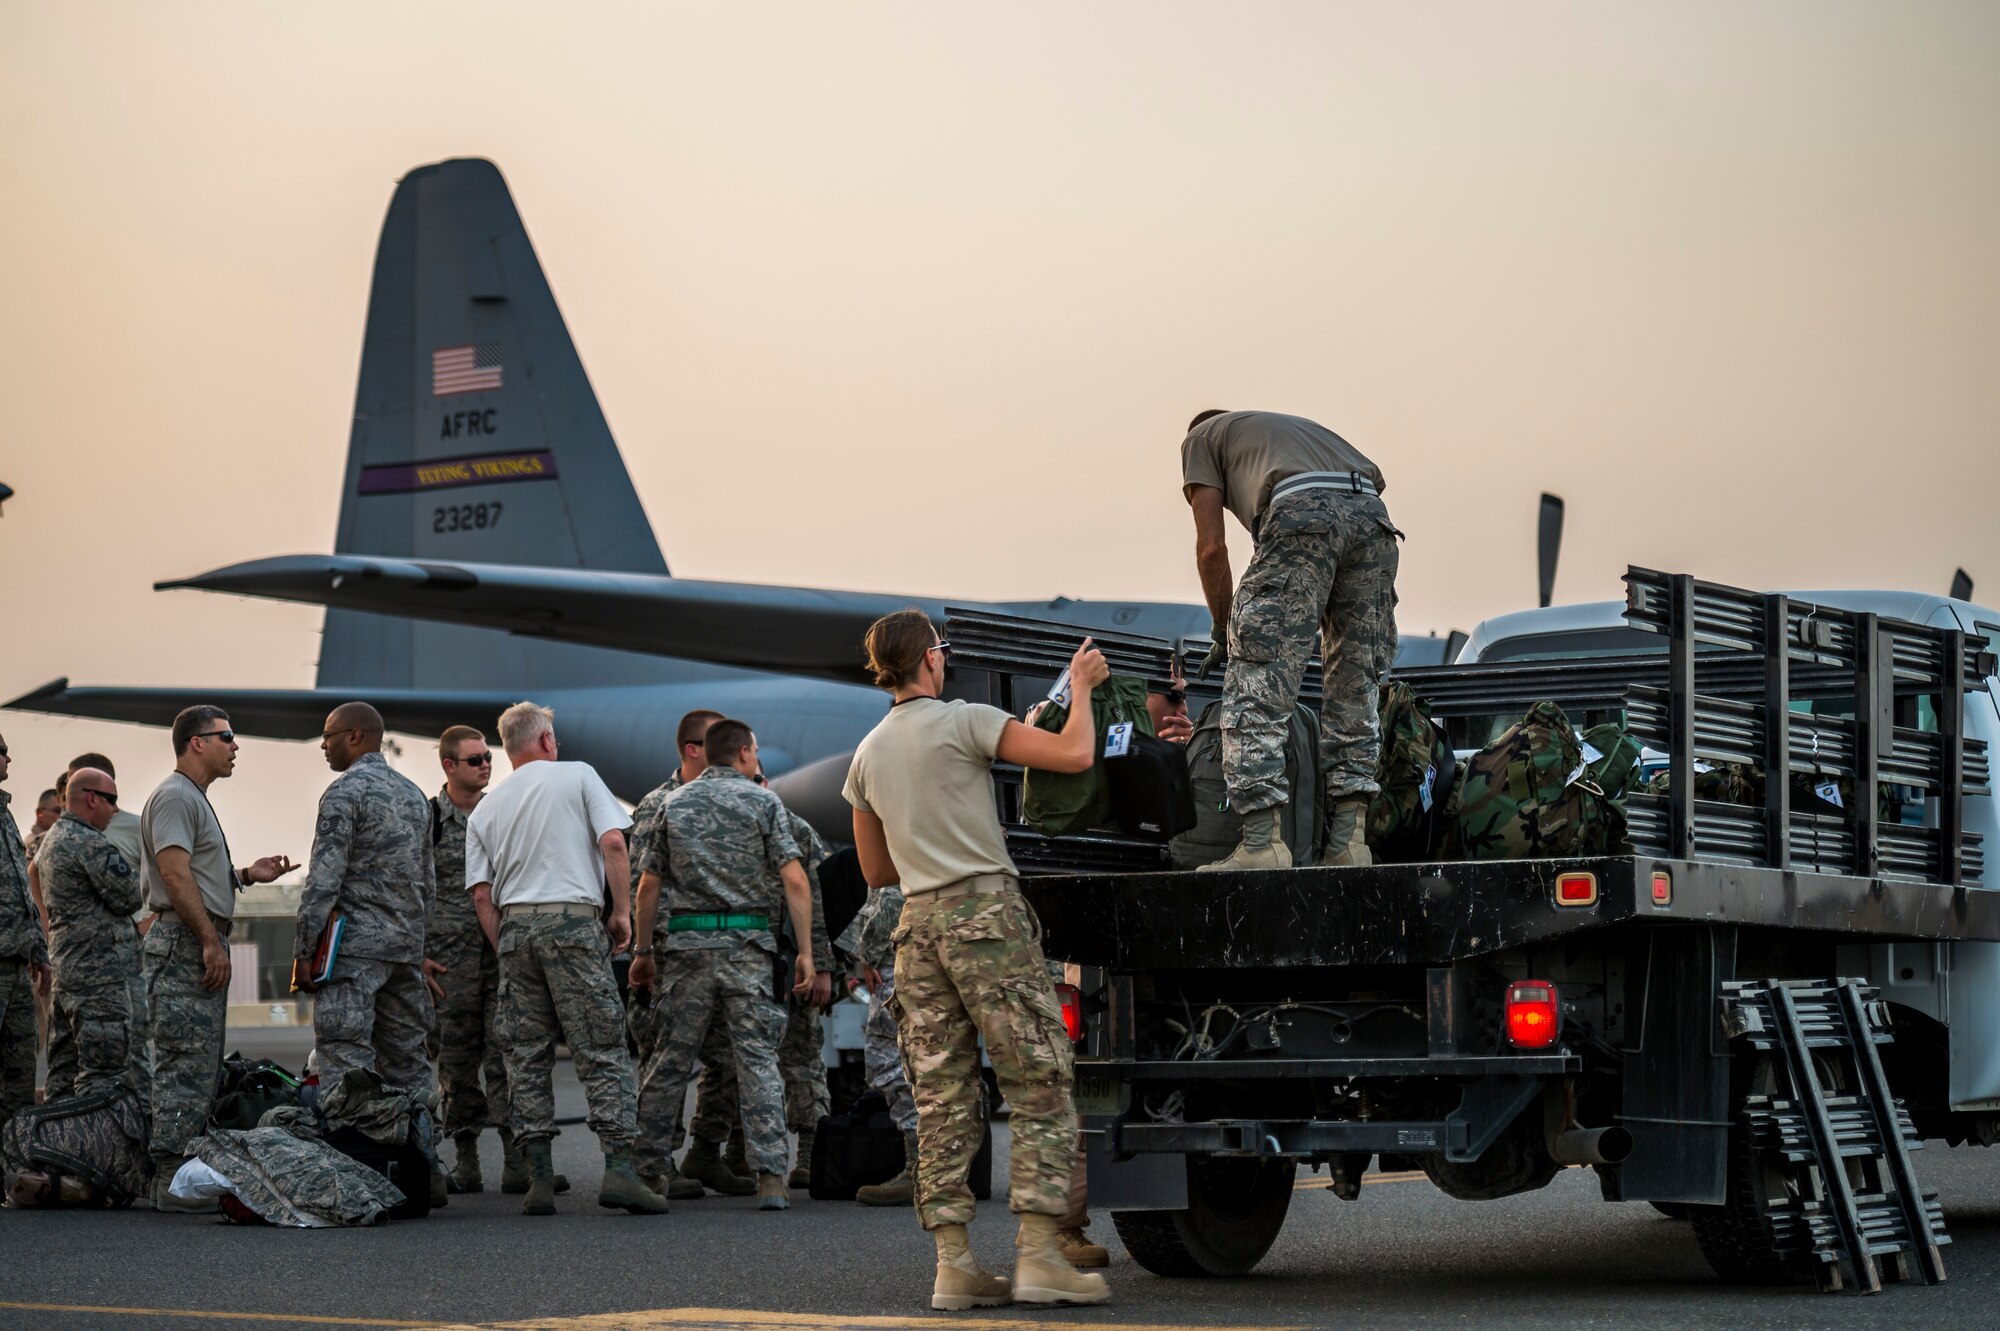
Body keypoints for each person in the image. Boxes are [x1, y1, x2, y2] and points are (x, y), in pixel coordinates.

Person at [844, 610, 1112, 1309]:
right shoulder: (964, 720)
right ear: (930, 660)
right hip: (985, 917)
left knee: (941, 1098)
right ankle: (1039, 1254)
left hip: (918, 927)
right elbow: (1074, 754)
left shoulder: (867, 753)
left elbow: (875, 870)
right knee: (1040, 1081)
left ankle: (955, 1265)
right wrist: (1080, 688)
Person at [466, 701, 666, 1216]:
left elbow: (482, 896)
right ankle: (619, 1171)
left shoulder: (485, 808)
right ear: (547, 741)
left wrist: (508, 946)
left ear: (507, 749)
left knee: (525, 1054)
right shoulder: (578, 775)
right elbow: (614, 844)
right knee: (600, 1046)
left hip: (514, 929)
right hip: (573, 921)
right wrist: (621, 913)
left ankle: (536, 1178)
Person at [1181, 408, 1400, 871]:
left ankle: (1262, 846)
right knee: (1355, 684)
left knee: (1258, 681)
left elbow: (1211, 549)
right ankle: (1348, 844)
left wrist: (1224, 629)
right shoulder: (1280, 434)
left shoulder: (1201, 436)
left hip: (1304, 513)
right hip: (1374, 519)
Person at [629, 720, 816, 1211]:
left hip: (687, 949)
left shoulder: (674, 803)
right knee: (756, 1061)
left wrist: (644, 953)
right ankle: (772, 1178)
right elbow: (795, 881)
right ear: (744, 753)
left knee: (669, 1061)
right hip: (748, 949)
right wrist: (805, 953)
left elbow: (648, 887)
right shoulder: (764, 803)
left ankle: (650, 1175)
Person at [139, 706, 295, 1211]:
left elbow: (199, 875)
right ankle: (168, 1179)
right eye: (226, 736)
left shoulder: (192, 799)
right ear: (196, 742)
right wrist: (209, 940)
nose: (234, 746)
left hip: (194, 939)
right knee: (183, 1064)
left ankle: (180, 1174)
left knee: (201, 1063)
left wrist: (247, 874)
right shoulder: (176, 796)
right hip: (185, 942)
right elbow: (174, 875)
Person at [292, 702, 443, 1202]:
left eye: (329, 735)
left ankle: (350, 1172)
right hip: (403, 951)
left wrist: (303, 950)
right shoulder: (416, 796)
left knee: (345, 1059)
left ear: (355, 737)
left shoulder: (344, 793)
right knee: (408, 1064)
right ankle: (425, 1168)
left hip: (352, 952)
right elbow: (429, 883)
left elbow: (323, 881)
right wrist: (417, 949)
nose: (323, 744)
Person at [676, 768, 836, 1191]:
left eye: (761, 778)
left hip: (788, 962)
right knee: (728, 1060)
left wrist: (819, 963)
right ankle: (719, 1149)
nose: (756, 784)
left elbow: (818, 895)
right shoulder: (723, 823)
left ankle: (810, 1154)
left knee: (801, 1059)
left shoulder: (794, 829)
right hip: (742, 959)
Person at [428, 724, 550, 1197]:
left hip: (502, 958)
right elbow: (413, 889)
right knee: (456, 1066)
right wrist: (419, 955)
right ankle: (466, 1161)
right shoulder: (429, 820)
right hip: (449, 964)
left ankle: (518, 1161)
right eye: (475, 759)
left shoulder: (504, 811)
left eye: (487, 758)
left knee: (509, 1059)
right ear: (449, 766)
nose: (486, 765)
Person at [624, 708, 740, 1199]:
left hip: (720, 953)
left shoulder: (732, 800)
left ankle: (705, 1151)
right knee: (663, 1062)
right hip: (672, 958)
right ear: (694, 750)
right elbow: (643, 886)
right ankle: (657, 1162)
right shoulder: (659, 804)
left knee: (731, 1057)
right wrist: (652, 953)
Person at [38, 767, 145, 1103]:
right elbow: (129, 896)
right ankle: (97, 1151)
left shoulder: (54, 837)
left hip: (68, 974)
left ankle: (56, 1148)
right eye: (111, 800)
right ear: (91, 798)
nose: (115, 809)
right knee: (103, 1077)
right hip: (98, 981)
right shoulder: (88, 842)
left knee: (63, 1075)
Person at [0, 730, 52, 1129]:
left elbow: (21, 889)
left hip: (17, 966)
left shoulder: (5, 814)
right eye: (2, 752)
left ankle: (9, 1171)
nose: (9, 760)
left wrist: (38, 952)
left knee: (19, 1076)